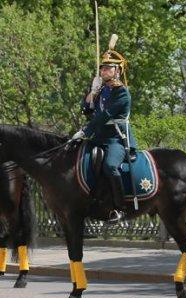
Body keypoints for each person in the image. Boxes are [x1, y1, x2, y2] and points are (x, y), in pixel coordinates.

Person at [72, 34, 135, 223]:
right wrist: (92, 92)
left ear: (117, 71)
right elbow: (86, 110)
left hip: (116, 138)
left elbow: (104, 116)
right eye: (102, 67)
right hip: (99, 137)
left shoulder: (122, 92)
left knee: (110, 166)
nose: (103, 70)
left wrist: (85, 132)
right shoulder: (101, 89)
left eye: (108, 68)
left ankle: (120, 208)